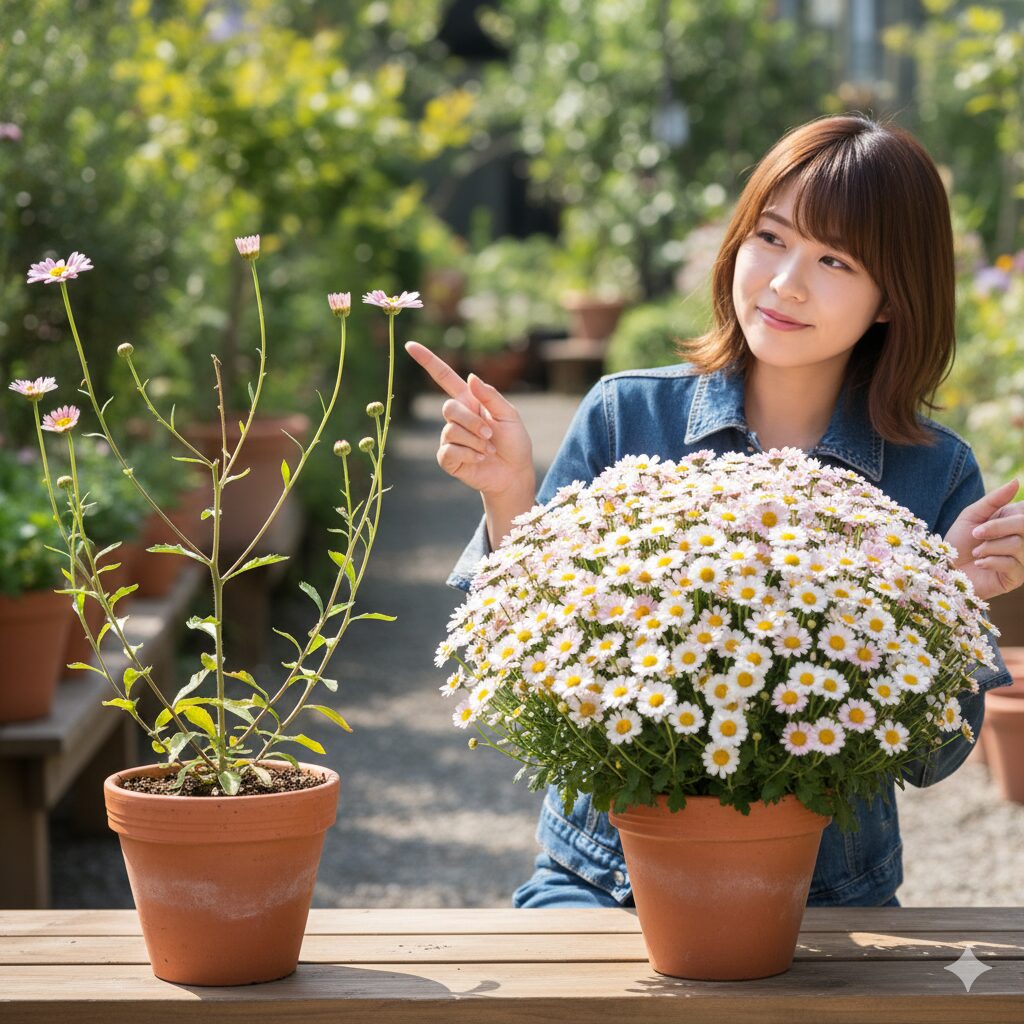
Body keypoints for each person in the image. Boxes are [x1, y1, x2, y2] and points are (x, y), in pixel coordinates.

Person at [406, 114, 1024, 909]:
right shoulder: (628, 417)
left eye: (835, 260)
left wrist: (949, 602)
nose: (786, 282)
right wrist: (508, 495)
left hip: (822, 899)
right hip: (603, 879)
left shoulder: (933, 471)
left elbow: (927, 762)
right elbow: (526, 674)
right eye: (771, 237)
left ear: (891, 299)